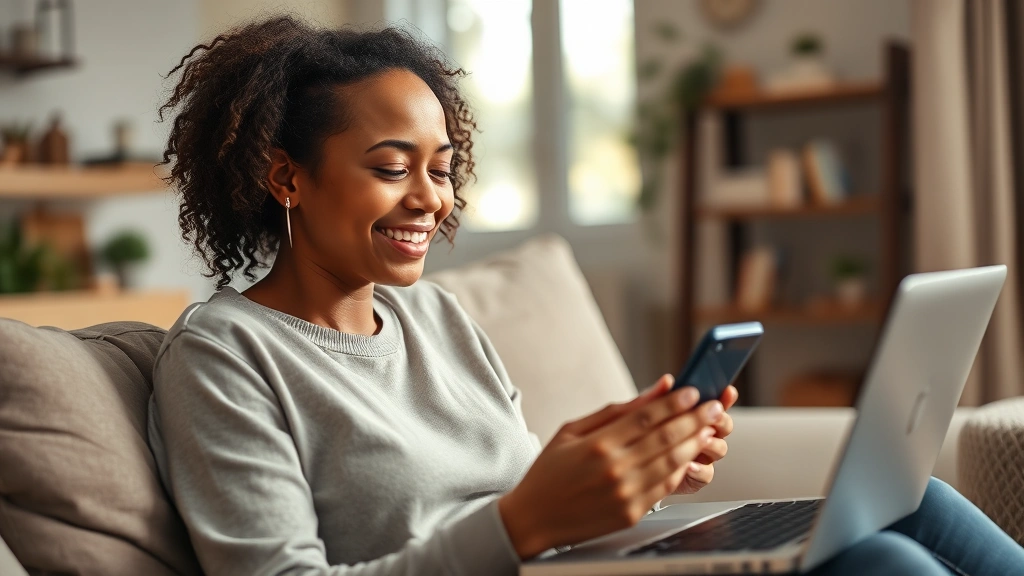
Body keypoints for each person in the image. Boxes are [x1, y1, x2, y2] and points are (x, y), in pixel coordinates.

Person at [149, 15, 1024, 576]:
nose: (431, 198)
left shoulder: (438, 318)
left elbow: (521, 492)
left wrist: (644, 472)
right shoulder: (225, 355)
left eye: (444, 171)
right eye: (390, 168)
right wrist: (522, 523)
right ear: (285, 177)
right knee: (886, 568)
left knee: (921, 503)